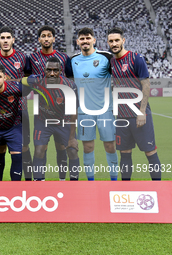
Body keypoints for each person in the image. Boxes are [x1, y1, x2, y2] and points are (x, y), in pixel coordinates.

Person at [107, 27, 161, 181]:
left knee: (150, 152)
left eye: (117, 40)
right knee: (124, 153)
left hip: (138, 115)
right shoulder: (112, 62)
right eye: (111, 41)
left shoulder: (136, 58)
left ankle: (158, 188)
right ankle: (125, 188)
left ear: (123, 40)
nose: (114, 43)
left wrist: (142, 111)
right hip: (122, 116)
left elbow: (146, 84)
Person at [0, 26, 32, 181]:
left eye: (8, 38)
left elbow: (27, 78)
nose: (5, 41)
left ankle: (29, 181)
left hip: (20, 108)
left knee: (23, 147)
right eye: (2, 38)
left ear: (13, 40)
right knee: (0, 148)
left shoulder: (23, 57)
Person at [71, 27, 118, 181]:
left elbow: (118, 77)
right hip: (84, 111)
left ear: (94, 40)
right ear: (78, 41)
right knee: (88, 147)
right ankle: (91, 181)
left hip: (106, 110)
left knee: (110, 145)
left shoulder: (106, 57)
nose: (85, 41)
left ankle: (114, 180)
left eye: (88, 38)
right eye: (82, 39)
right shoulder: (73, 60)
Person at [22, 57, 80, 180]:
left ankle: (71, 183)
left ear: (61, 71)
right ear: (44, 70)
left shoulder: (69, 86)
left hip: (63, 121)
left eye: (55, 70)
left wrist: (72, 138)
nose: (52, 73)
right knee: (39, 150)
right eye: (49, 70)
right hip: (43, 121)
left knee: (72, 150)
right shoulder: (37, 81)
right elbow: (19, 82)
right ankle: (39, 183)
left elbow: (73, 112)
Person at [29, 25, 74, 181]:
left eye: (49, 35)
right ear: (39, 39)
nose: (46, 38)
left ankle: (62, 180)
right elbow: (28, 80)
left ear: (54, 39)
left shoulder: (63, 58)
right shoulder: (32, 58)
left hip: (61, 111)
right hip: (41, 108)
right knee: (41, 147)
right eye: (43, 35)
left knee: (61, 146)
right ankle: (39, 181)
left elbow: (69, 80)